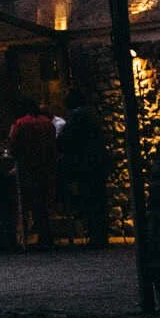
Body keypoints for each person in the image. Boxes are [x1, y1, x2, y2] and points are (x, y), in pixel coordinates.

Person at [58, 89, 111, 248]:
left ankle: (96, 235)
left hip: (86, 164)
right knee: (98, 199)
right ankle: (100, 234)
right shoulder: (92, 114)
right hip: (97, 162)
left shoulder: (77, 116)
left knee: (90, 198)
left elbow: (64, 139)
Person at [9, 98, 60, 249]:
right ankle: (45, 234)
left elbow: (14, 145)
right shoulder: (48, 123)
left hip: (27, 167)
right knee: (43, 200)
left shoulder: (20, 124)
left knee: (26, 200)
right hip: (47, 167)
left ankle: (22, 236)